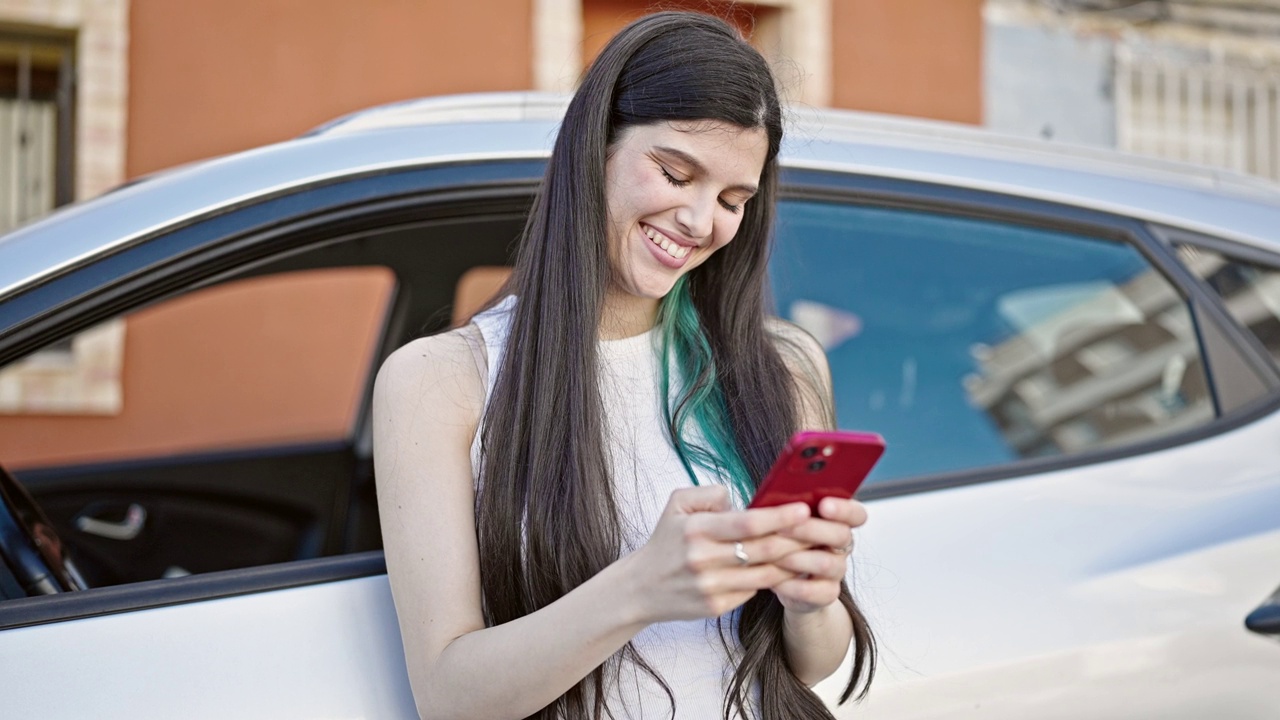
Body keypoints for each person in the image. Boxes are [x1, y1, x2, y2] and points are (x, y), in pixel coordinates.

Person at [373, 11, 875, 720]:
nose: (702, 222)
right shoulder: (440, 382)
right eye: (675, 173)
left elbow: (813, 664)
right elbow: (451, 696)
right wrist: (640, 587)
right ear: (596, 146)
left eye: (734, 200)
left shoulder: (784, 366)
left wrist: (810, 600)